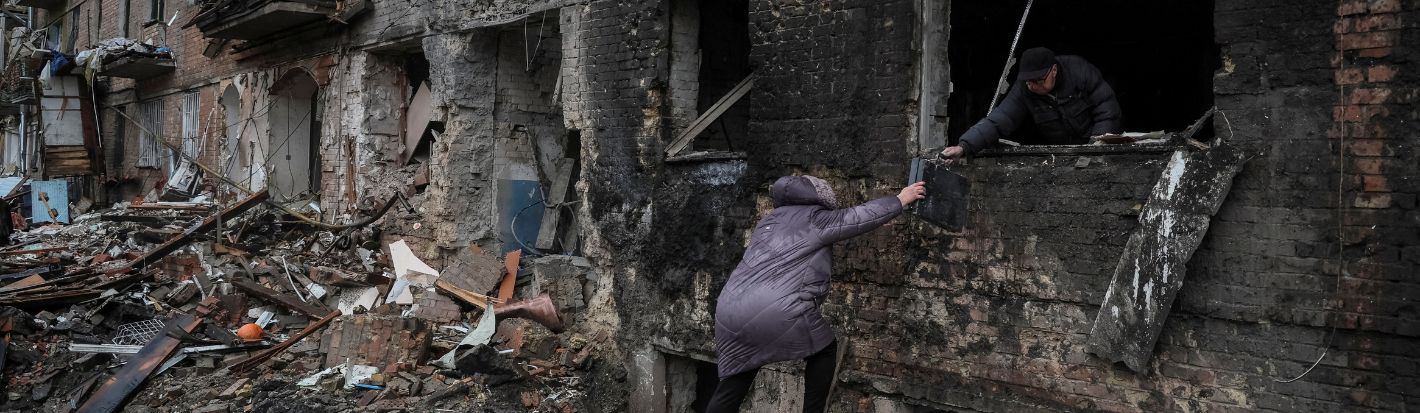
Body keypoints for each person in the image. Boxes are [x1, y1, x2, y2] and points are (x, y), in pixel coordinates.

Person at [706, 175, 926, 412]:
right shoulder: (815, 218)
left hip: (729, 309)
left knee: (738, 377)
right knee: (825, 349)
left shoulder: (768, 222)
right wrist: (900, 199)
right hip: (775, 308)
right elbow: (857, 217)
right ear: (819, 196)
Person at [940, 47, 1122, 159]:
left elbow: (1107, 110)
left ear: (1054, 70)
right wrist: (964, 146)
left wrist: (1096, 149)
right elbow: (1000, 119)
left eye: (1038, 81)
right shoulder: (1025, 88)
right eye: (1028, 81)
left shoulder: (1079, 71)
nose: (1032, 86)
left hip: (1094, 145)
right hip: (1062, 153)